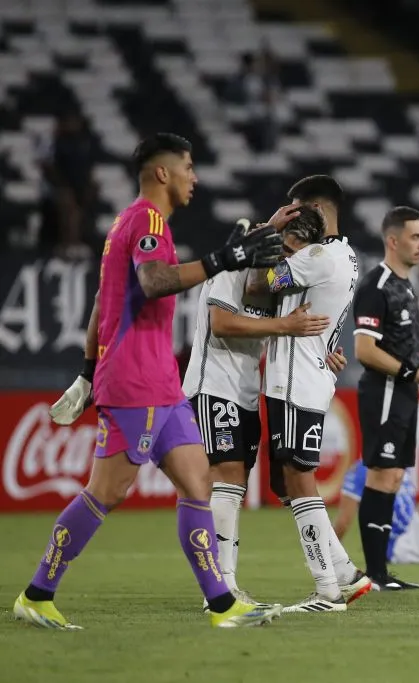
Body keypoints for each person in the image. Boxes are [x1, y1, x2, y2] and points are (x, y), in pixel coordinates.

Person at [20, 133, 285, 629]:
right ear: (162, 173)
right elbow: (153, 281)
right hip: (134, 380)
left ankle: (222, 606)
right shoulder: (146, 219)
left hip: (161, 382)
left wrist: (83, 372)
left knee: (196, 480)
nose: (195, 177)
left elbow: (105, 299)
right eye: (187, 167)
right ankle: (37, 592)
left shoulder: (128, 222)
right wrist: (220, 261)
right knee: (106, 493)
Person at [182, 215, 339, 604]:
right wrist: (285, 326)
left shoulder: (273, 286)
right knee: (226, 476)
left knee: (235, 483)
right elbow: (220, 323)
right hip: (213, 384)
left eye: (293, 255)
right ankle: (220, 588)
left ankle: (226, 582)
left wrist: (326, 354)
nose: (285, 260)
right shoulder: (232, 267)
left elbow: (292, 330)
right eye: (283, 251)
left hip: (247, 389)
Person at [245, 202, 369, 613]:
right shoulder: (340, 256)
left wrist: (264, 245)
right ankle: (346, 576)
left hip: (297, 382)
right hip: (302, 378)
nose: (283, 250)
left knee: (299, 481)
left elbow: (256, 286)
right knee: (289, 484)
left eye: (287, 241)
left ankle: (327, 591)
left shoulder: (313, 257)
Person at [352, 206, 419, 591]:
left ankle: (380, 573)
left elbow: (395, 345)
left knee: (394, 476)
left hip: (404, 390)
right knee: (383, 474)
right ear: (392, 241)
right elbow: (365, 350)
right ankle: (374, 573)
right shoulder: (375, 286)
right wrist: (414, 372)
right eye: (415, 237)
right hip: (384, 392)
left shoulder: (406, 285)